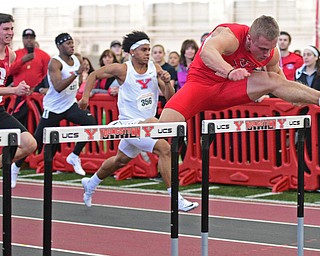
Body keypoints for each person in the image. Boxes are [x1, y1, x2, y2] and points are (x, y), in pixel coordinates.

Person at [79, 31, 198, 212]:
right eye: (144, 49)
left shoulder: (155, 68)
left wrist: (167, 83)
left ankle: (91, 182)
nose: (148, 53)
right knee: (164, 149)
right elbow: (94, 75)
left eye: (149, 49)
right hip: (129, 124)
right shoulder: (123, 69)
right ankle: (176, 198)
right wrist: (85, 98)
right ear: (132, 51)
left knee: (120, 160)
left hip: (144, 126)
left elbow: (170, 98)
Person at [158, 15, 320, 124]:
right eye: (263, 48)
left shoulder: (271, 52)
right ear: (249, 39)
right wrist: (229, 71)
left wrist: (295, 97)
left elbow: (280, 81)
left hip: (231, 89)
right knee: (164, 129)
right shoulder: (231, 36)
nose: (266, 54)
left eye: (270, 48)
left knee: (273, 79)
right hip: (200, 85)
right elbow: (208, 51)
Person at [11, 33, 97, 187]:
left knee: (91, 123)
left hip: (70, 105)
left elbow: (78, 82)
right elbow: (57, 87)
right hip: (53, 108)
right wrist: (76, 73)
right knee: (36, 142)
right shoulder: (55, 63)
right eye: (68, 43)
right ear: (59, 46)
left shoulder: (76, 60)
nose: (71, 45)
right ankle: (16, 166)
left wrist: (81, 95)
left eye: (72, 43)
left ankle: (74, 155)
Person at [0, 13, 37, 183]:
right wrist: (15, 90)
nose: (10, 32)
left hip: (0, 111)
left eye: (12, 29)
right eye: (6, 29)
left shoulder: (11, 54)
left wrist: (20, 87)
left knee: (30, 144)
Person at [8, 28, 51, 126]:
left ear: (34, 39)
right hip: (19, 95)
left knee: (37, 121)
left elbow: (47, 75)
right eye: (26, 37)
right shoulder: (15, 54)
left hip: (36, 95)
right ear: (23, 39)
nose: (29, 40)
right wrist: (22, 61)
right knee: (17, 120)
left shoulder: (43, 55)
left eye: (31, 38)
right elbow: (9, 71)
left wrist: (38, 88)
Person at [151, 44, 177, 117]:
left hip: (165, 101)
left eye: (160, 52)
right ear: (152, 54)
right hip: (152, 102)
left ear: (164, 54)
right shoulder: (149, 68)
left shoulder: (170, 68)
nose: (157, 55)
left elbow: (169, 88)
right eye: (155, 53)